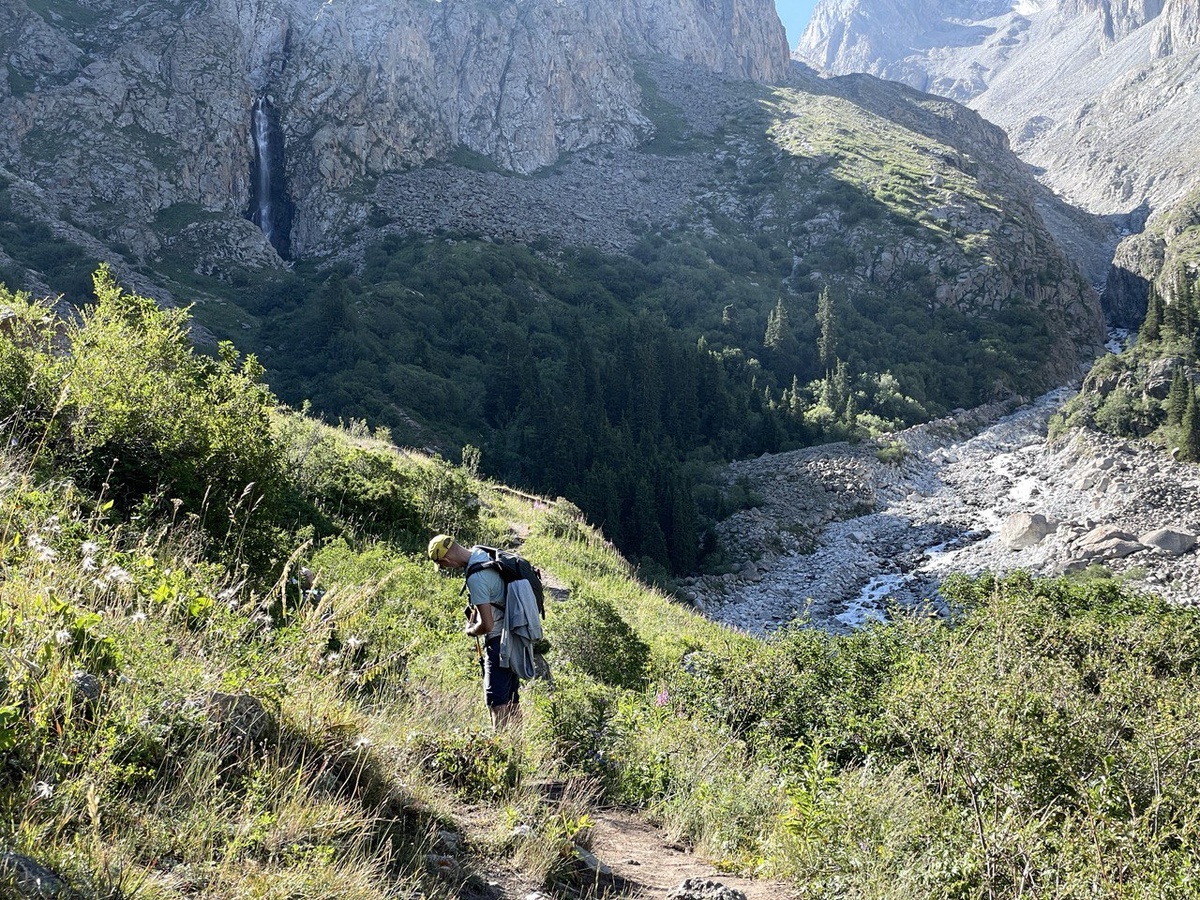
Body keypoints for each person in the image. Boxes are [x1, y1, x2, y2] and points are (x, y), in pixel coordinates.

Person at [428, 534, 521, 729]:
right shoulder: (483, 554)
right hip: (514, 636)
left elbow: (487, 625)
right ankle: (518, 746)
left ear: (445, 560)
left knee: (497, 702)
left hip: (498, 642)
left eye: (443, 565)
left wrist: (471, 630)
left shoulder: (476, 578)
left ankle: (502, 752)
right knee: (512, 699)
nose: (446, 568)